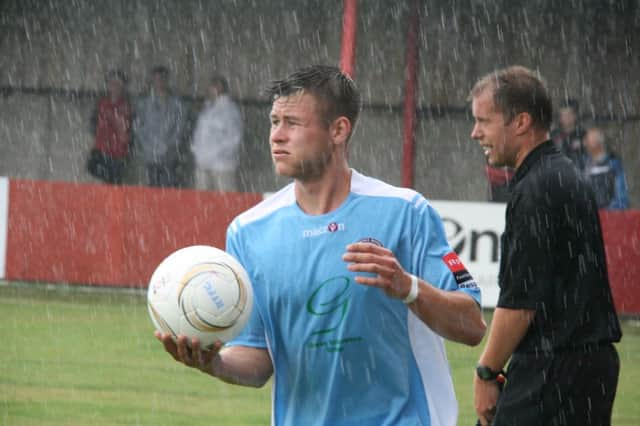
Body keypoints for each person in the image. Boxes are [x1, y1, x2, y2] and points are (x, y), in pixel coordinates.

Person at [157, 65, 486, 425]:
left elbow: (471, 326)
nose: (276, 136)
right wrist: (215, 364)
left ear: (338, 130)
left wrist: (408, 287)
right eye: (274, 121)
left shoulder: (406, 212)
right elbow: (258, 359)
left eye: (292, 123)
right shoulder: (249, 232)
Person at [469, 65, 622, 426]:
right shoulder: (564, 175)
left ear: (521, 122)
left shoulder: (536, 189)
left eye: (483, 121)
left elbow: (520, 304)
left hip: (554, 369)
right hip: (585, 366)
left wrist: (486, 372)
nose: (475, 133)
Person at [133, 66, 187, 187]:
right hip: (150, 155)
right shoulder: (144, 103)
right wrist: (148, 145)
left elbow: (181, 127)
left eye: (162, 79)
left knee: (169, 188)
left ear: (167, 80)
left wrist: (169, 144)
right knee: (153, 187)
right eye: (156, 79)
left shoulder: (177, 104)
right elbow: (138, 126)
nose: (159, 82)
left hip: (170, 155)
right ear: (152, 81)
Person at [191, 75, 244, 191]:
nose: (208, 90)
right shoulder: (208, 108)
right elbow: (199, 134)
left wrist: (215, 154)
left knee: (225, 200)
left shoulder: (230, 109)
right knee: (202, 201)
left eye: (211, 86)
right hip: (203, 163)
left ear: (219, 88)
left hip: (222, 165)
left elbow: (234, 138)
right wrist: (197, 151)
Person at [89, 69, 131, 184]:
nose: (115, 87)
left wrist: (124, 139)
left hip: (118, 151)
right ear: (108, 85)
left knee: (113, 182)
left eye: (118, 84)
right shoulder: (102, 102)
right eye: (112, 83)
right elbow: (93, 122)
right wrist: (99, 134)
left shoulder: (126, 106)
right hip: (101, 147)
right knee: (94, 169)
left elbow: (129, 129)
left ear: (122, 87)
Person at [583, 127, 630, 210]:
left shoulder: (613, 163)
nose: (586, 143)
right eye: (587, 140)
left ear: (599, 143)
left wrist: (611, 210)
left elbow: (621, 195)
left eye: (591, 140)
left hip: (609, 214)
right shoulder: (584, 164)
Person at [550, 98, 586, 170]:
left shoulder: (583, 135)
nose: (565, 118)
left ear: (575, 116)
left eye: (568, 115)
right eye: (562, 115)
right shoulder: (553, 135)